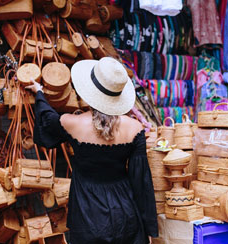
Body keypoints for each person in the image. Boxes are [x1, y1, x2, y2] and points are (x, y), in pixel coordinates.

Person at [26, 57, 158, 244]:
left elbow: (47, 120)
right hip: (125, 213)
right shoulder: (135, 128)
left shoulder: (73, 123)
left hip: (87, 213)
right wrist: (148, 229)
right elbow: (141, 182)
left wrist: (39, 94)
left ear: (90, 91)